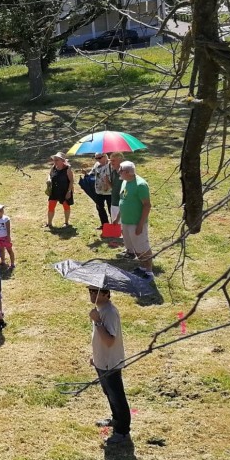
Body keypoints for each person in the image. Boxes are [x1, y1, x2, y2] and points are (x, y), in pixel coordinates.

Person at [89, 286, 131, 445]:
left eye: (96, 291)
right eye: (90, 291)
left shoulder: (110, 313)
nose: (92, 294)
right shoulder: (99, 310)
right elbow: (99, 340)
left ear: (107, 294)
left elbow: (109, 341)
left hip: (110, 363)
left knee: (117, 396)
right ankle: (116, 419)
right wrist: (95, 356)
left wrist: (97, 321)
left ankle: (122, 431)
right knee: (109, 393)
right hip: (101, 361)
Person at [118, 160, 154, 277]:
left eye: (121, 170)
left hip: (136, 222)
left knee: (142, 247)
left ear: (128, 172)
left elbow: (147, 205)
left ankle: (149, 271)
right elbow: (123, 200)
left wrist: (140, 225)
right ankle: (143, 267)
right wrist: (118, 218)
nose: (118, 172)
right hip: (126, 221)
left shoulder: (140, 185)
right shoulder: (125, 181)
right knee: (134, 247)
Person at [47, 152, 75, 228]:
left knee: (66, 206)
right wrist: (49, 179)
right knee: (51, 206)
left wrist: (69, 192)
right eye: (54, 160)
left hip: (65, 190)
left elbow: (71, 181)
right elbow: (50, 175)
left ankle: (66, 222)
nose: (55, 161)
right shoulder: (53, 167)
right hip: (54, 190)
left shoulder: (67, 169)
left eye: (57, 160)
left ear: (62, 160)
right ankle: (49, 223)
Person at [89, 153, 113, 226]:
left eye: (99, 158)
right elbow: (92, 173)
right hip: (99, 190)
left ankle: (114, 225)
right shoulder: (96, 164)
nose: (97, 160)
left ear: (105, 156)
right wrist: (86, 173)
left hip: (109, 191)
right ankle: (104, 224)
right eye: (96, 158)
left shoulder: (111, 164)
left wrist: (108, 185)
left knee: (111, 208)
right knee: (100, 207)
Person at [108, 152, 125, 223]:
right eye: (110, 160)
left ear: (120, 161)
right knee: (115, 226)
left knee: (123, 228)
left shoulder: (125, 173)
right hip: (114, 203)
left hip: (123, 205)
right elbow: (114, 187)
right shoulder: (113, 172)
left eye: (113, 160)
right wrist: (107, 182)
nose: (111, 162)